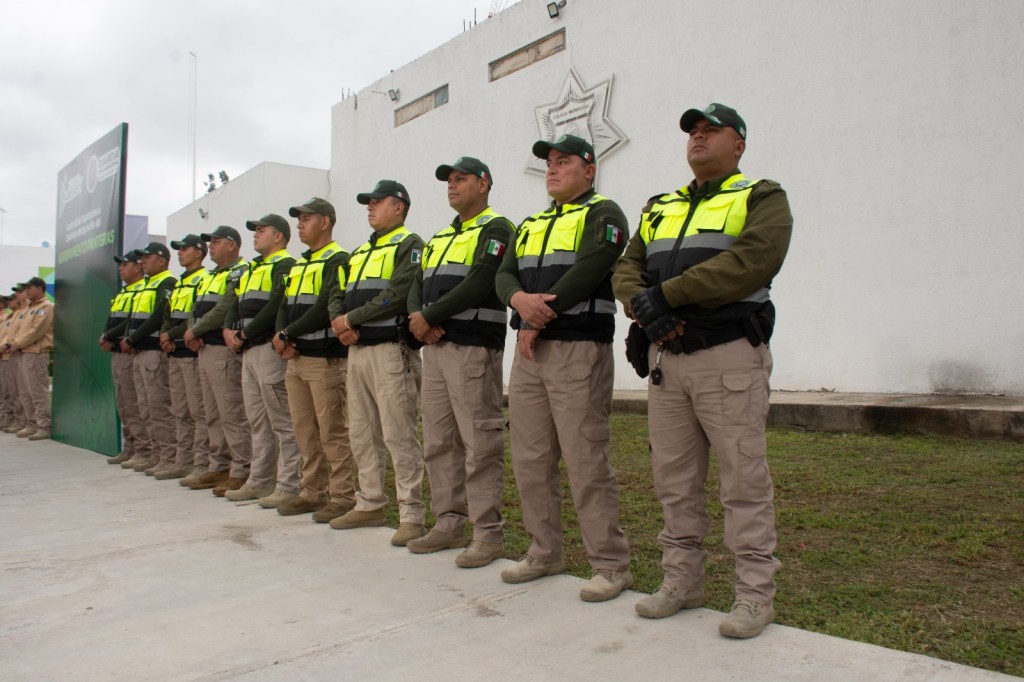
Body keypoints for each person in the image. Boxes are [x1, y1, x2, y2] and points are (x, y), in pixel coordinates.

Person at [612, 103, 792, 639]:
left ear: (739, 144)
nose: (698, 136)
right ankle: (682, 582)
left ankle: (755, 596)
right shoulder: (659, 206)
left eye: (712, 130)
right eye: (693, 130)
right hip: (669, 361)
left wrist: (662, 296)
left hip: (728, 357)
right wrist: (642, 304)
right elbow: (627, 266)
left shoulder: (761, 196)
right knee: (674, 481)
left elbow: (752, 262)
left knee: (743, 480)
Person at [494, 134, 633, 602]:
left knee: (584, 456)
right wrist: (517, 300)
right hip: (530, 355)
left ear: (589, 170)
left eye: (564, 161)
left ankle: (611, 565)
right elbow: (503, 273)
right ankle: (544, 551)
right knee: (530, 458)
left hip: (576, 348)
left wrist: (536, 317)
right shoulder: (531, 222)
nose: (552, 169)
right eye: (549, 163)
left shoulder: (604, 214)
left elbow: (591, 270)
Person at [404, 157, 513, 568]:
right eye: (448, 180)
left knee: (478, 442)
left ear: (483, 183)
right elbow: (417, 286)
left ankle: (488, 535)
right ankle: (448, 524)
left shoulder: (497, 228)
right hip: (436, 349)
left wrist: (429, 317)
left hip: (472, 349)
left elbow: (482, 281)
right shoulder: (439, 237)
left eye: (460, 179)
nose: (452, 185)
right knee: (439, 441)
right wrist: (419, 318)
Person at [328, 180, 426, 547]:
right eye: (367, 203)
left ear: (399, 206)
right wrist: (341, 324)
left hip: (390, 351)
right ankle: (369, 503)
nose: (369, 207)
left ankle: (412, 515)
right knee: (361, 432)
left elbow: (398, 294)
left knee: (398, 433)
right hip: (357, 352)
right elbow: (336, 293)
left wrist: (351, 320)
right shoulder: (358, 252)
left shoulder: (410, 245)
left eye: (377, 202)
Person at [272, 198, 356, 520]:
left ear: (325, 222)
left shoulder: (339, 260)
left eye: (306, 218)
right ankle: (312, 492)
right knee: (304, 431)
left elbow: (325, 307)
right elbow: (283, 302)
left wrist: (286, 333)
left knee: (332, 432)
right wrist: (284, 337)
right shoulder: (298, 264)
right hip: (295, 360)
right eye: (298, 219)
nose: (299, 224)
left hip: (324, 362)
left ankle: (343, 496)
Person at [222, 214, 303, 505]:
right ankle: (258, 481)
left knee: (282, 420)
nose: (255, 235)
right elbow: (235, 301)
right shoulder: (254, 267)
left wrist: (243, 333)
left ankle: (288, 485)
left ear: (278, 236)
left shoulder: (285, 265)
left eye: (261, 230)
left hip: (268, 350)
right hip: (248, 351)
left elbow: (275, 306)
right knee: (257, 421)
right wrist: (228, 329)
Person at [183, 226, 251, 494]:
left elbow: (225, 306)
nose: (210, 246)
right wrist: (193, 330)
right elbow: (195, 307)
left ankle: (242, 469)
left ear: (232, 245)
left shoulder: (239, 271)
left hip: (222, 351)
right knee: (211, 413)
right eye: (209, 241)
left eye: (216, 241)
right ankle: (219, 466)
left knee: (231, 412)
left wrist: (195, 330)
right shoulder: (211, 276)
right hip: (203, 348)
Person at [157, 235, 212, 480]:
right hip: (174, 351)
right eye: (178, 250)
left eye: (184, 249)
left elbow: (195, 315)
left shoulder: (204, 279)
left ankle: (201, 462)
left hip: (191, 352)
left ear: (199, 252)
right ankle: (183, 460)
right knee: (180, 410)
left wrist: (171, 334)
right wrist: (166, 335)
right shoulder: (180, 283)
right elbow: (168, 314)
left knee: (198, 411)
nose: (179, 253)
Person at [118, 243, 177, 469]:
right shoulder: (145, 285)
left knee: (159, 407)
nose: (142, 261)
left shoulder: (167, 282)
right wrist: (129, 339)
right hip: (139, 351)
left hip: (153, 352)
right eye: (141, 258)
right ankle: (154, 453)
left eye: (147, 257)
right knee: (144, 407)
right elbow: (132, 318)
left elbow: (157, 317)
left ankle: (168, 457)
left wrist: (132, 339)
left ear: (162, 260)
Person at [102, 250, 149, 465]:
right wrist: (106, 335)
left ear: (138, 267)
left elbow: (130, 321)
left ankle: (143, 449)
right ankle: (129, 445)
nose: (121, 268)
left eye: (125, 264)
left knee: (134, 403)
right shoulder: (123, 292)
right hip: (117, 352)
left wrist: (109, 336)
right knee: (123, 403)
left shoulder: (143, 289)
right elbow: (112, 319)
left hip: (130, 351)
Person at [4, 277, 54, 440]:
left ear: (40, 289)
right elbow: (15, 333)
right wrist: (13, 344)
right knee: (25, 392)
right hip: (22, 352)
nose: (26, 291)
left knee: (37, 391)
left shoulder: (45, 307)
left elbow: (36, 331)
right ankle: (31, 423)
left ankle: (44, 425)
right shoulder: (27, 309)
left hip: (35, 352)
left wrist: (16, 344)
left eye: (30, 288)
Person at [0, 285, 30, 435]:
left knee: (24, 391)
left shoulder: (28, 311)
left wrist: (12, 345)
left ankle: (28, 422)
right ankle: (12, 418)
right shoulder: (13, 315)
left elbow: (31, 331)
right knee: (9, 391)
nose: (15, 297)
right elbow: (7, 335)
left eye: (19, 292)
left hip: (21, 352)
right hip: (8, 354)